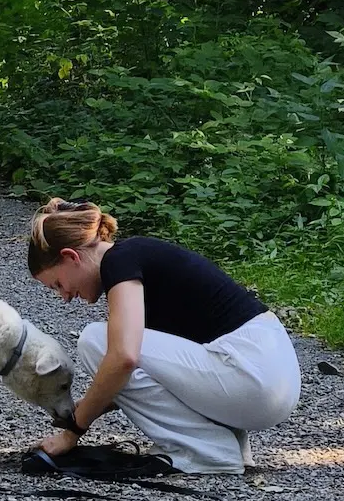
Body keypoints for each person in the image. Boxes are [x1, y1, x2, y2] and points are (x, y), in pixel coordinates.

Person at [27, 197, 301, 473]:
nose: (63, 297)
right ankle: (222, 444)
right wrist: (83, 409)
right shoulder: (136, 257)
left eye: (58, 284)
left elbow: (124, 358)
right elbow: (141, 382)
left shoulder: (118, 261)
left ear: (70, 257)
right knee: (112, 351)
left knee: (95, 342)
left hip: (252, 373)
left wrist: (72, 433)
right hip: (271, 378)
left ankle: (205, 451)